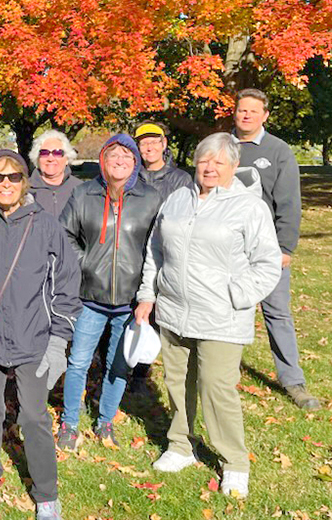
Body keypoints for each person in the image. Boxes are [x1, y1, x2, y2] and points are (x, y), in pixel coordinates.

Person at [135, 132, 282, 498]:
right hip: (174, 311)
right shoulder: (178, 199)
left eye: (219, 162)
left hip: (221, 316)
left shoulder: (249, 207)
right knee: (176, 381)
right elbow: (156, 250)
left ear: (233, 166)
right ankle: (181, 445)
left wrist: (237, 295)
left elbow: (267, 263)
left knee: (216, 389)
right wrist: (148, 294)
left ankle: (234, 462)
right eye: (204, 160)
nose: (210, 168)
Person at [0, 150, 81, 520]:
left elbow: (66, 288)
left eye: (13, 177)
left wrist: (58, 341)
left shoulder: (46, 226)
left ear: (25, 182)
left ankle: (46, 493)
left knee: (35, 417)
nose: (5, 184)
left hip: (34, 340)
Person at [57, 134, 161, 449]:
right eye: (113, 155)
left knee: (118, 364)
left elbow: (157, 248)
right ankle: (70, 423)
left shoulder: (150, 198)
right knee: (78, 361)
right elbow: (64, 235)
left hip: (129, 301)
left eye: (126, 157)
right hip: (90, 296)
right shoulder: (83, 194)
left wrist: (147, 293)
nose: (120, 161)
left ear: (135, 162)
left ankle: (105, 421)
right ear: (103, 159)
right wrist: (85, 262)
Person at [232, 88, 320, 410]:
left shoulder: (279, 151)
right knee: (227, 310)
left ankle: (293, 381)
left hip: (267, 249)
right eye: (242, 110)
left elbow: (289, 203)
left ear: (265, 115)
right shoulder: (221, 146)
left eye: (254, 111)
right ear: (235, 112)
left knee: (277, 313)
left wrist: (285, 246)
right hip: (227, 249)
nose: (247, 116)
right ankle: (222, 375)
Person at [128, 121, 196, 393]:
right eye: (144, 143)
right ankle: (128, 365)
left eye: (154, 141)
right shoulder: (132, 176)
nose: (150, 147)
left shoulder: (180, 179)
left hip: (165, 251)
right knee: (136, 309)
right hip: (133, 249)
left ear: (164, 144)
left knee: (159, 313)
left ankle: (143, 374)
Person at [28, 129, 83, 218]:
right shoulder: (25, 190)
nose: (50, 158)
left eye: (57, 153)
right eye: (44, 153)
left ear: (67, 158)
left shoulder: (80, 190)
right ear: (37, 159)